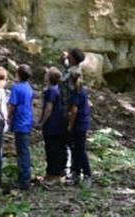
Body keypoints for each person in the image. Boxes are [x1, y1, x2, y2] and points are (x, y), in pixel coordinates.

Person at [36, 66, 67, 181]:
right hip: (60, 124)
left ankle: (52, 173)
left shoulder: (51, 91)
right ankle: (59, 171)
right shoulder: (60, 89)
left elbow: (49, 108)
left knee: (51, 149)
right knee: (59, 148)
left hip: (52, 125)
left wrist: (42, 122)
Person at [7, 63, 35, 191]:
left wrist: (7, 116)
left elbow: (12, 105)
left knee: (22, 151)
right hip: (27, 120)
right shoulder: (29, 87)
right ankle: (24, 177)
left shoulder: (16, 88)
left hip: (20, 122)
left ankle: (24, 180)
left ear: (18, 74)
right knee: (23, 150)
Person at [59, 48, 84, 180]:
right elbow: (66, 67)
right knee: (67, 140)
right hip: (65, 109)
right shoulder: (72, 69)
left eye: (69, 54)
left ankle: (75, 170)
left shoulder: (75, 73)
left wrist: (70, 116)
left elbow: (69, 84)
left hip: (69, 111)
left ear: (73, 58)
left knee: (71, 141)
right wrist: (63, 60)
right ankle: (68, 168)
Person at [67, 71, 92, 188]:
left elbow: (74, 111)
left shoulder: (76, 93)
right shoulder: (82, 90)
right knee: (75, 149)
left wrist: (70, 125)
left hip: (79, 125)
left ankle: (87, 175)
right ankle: (76, 173)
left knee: (80, 150)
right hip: (83, 123)